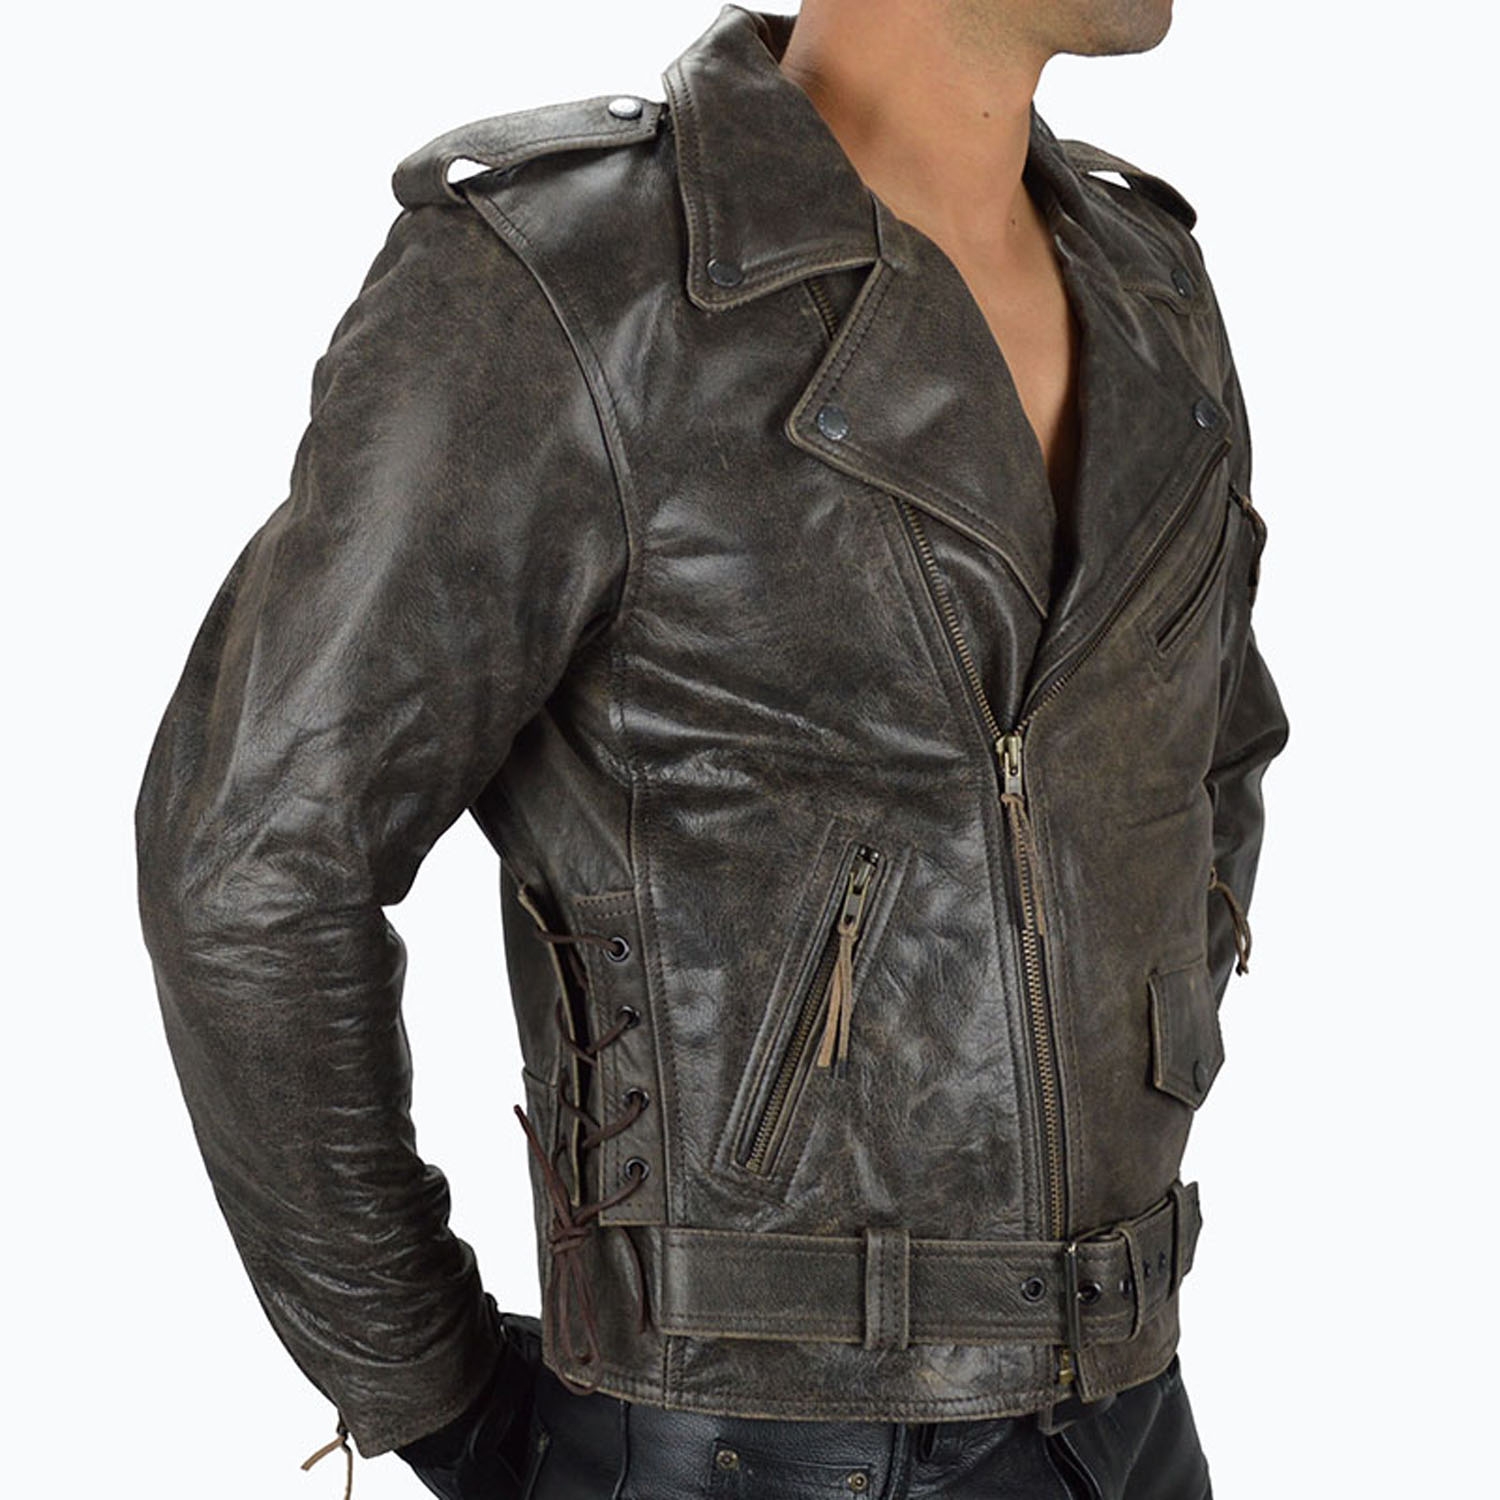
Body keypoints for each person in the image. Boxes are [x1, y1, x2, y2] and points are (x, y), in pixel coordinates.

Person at [134, 3, 1290, 1497]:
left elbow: (1211, 751)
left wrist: (1148, 1068)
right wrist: (431, 1388)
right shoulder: (576, 283)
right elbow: (255, 861)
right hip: (747, 1444)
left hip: (1131, 1413)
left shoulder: (1147, 284)